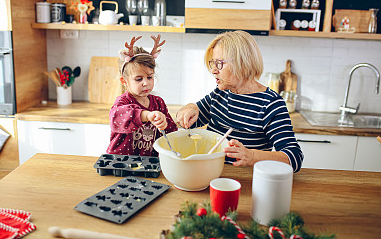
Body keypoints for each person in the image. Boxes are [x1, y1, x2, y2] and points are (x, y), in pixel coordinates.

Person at [176, 30, 303, 172]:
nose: (213, 70)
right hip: (209, 174)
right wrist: (190, 107)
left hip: (247, 183)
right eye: (213, 63)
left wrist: (252, 156)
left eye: (219, 64)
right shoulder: (220, 94)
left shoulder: (270, 104)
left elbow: (294, 157)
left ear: (242, 64)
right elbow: (193, 120)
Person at [106, 35, 177, 156]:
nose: (146, 83)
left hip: (149, 161)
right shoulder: (122, 102)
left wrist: (165, 124)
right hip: (122, 161)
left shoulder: (158, 103)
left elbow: (170, 132)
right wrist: (147, 115)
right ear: (124, 81)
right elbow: (116, 118)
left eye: (149, 77)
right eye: (139, 79)